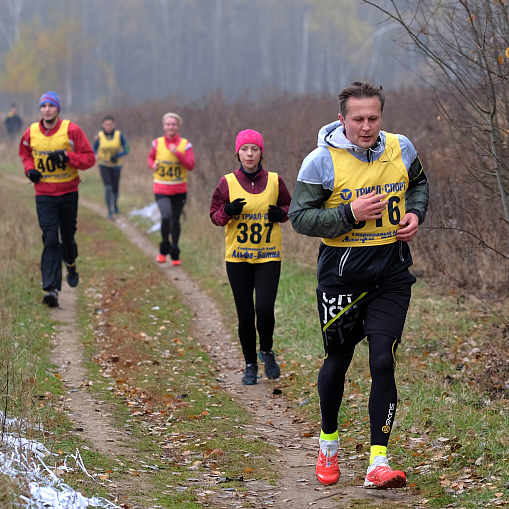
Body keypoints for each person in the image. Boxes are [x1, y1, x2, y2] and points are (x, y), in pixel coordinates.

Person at [288, 81, 429, 489]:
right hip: (341, 278)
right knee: (338, 362)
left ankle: (377, 462)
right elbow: (300, 218)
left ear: (381, 117)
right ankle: (328, 444)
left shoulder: (401, 148)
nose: (366, 127)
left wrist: (415, 214)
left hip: (391, 273)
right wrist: (348, 213)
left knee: (383, 360)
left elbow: (419, 184)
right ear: (341, 119)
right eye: (358, 119)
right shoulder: (320, 162)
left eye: (373, 118)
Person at [210, 129, 291, 385]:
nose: (249, 154)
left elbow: (290, 207)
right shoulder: (227, 183)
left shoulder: (276, 181)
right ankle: (249, 365)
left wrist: (281, 214)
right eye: (244, 149)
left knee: (264, 309)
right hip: (238, 258)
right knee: (245, 314)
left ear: (261, 153)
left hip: (268, 256)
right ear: (238, 153)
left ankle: (266, 351)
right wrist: (226, 211)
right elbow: (214, 215)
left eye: (254, 149)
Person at [19, 92, 95, 307]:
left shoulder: (71, 130)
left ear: (58, 109)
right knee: (50, 237)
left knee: (68, 238)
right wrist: (30, 170)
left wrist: (67, 157)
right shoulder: (31, 132)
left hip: (68, 193)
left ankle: (70, 263)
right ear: (40, 109)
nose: (47, 110)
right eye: (43, 106)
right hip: (44, 195)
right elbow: (25, 154)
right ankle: (51, 289)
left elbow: (89, 159)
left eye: (51, 106)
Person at [147, 112, 195, 265]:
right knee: (166, 216)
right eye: (168, 124)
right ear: (164, 126)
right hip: (161, 188)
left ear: (178, 126)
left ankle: (175, 252)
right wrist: (152, 165)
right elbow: (150, 158)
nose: (171, 127)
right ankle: (163, 247)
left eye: (173, 124)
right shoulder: (157, 143)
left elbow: (190, 165)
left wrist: (178, 153)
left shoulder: (185, 145)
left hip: (180, 189)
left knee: (176, 221)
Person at [93, 116, 130, 219]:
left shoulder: (119, 135)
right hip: (103, 165)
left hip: (116, 165)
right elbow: (94, 148)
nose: (108, 127)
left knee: (115, 188)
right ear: (103, 125)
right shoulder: (99, 136)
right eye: (106, 124)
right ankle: (109, 210)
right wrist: (95, 154)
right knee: (108, 188)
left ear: (114, 125)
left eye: (110, 124)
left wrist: (118, 155)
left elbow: (127, 149)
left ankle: (115, 203)